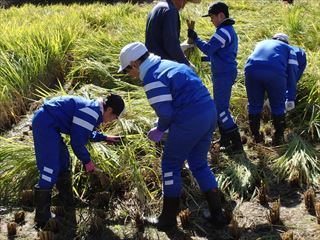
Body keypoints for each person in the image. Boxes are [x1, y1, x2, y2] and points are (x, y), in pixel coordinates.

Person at [118, 42, 228, 230]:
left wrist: (160, 129)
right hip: (209, 113)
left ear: (135, 64)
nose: (130, 75)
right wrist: (165, 125)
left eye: (127, 70)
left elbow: (167, 114)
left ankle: (168, 219)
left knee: (170, 164)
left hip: (189, 120)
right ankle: (218, 215)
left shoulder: (152, 78)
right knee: (199, 163)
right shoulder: (171, 65)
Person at [32, 94, 125, 228]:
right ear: (109, 110)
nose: (113, 120)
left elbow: (83, 133)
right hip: (45, 124)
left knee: (64, 162)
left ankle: (67, 201)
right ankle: (42, 217)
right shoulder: (91, 112)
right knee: (50, 168)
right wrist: (87, 161)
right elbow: (77, 143)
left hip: (52, 125)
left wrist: (104, 137)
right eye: (115, 117)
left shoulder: (94, 111)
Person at [187, 1, 243, 153]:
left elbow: (209, 50)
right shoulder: (228, 30)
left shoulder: (223, 31)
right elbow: (218, 55)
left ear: (221, 15)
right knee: (219, 107)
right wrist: (199, 59)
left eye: (212, 17)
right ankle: (225, 138)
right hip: (224, 72)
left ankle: (237, 143)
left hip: (223, 75)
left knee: (221, 110)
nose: (211, 20)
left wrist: (195, 38)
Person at [244, 33, 298, 145]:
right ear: (286, 42)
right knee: (278, 106)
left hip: (251, 69)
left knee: (254, 105)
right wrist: (291, 97)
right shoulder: (289, 49)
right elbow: (292, 73)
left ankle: (256, 137)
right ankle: (278, 138)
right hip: (275, 72)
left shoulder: (260, 43)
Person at [145, 0, 200, 66]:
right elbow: (171, 46)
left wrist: (180, 47)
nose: (183, 6)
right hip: (163, 65)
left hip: (151, 62)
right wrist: (187, 64)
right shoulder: (170, 11)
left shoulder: (158, 7)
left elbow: (158, 40)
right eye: (184, 2)